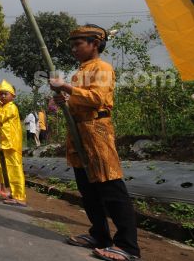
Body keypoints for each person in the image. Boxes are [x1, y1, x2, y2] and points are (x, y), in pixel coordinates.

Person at [51, 24, 140, 261]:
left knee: (111, 187)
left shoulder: (102, 68)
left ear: (95, 44)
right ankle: (99, 235)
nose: (73, 49)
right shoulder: (79, 72)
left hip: (97, 131)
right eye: (72, 44)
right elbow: (77, 101)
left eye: (78, 44)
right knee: (87, 190)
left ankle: (128, 246)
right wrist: (64, 101)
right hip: (79, 132)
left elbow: (98, 98)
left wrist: (67, 88)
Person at [0, 80, 26, 207]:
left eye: (6, 94)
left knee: (15, 169)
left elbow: (1, 117)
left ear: (13, 96)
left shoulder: (11, 107)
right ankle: (14, 193)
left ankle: (19, 196)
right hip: (6, 143)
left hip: (12, 143)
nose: (3, 96)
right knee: (10, 170)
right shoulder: (5, 107)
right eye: (1, 94)